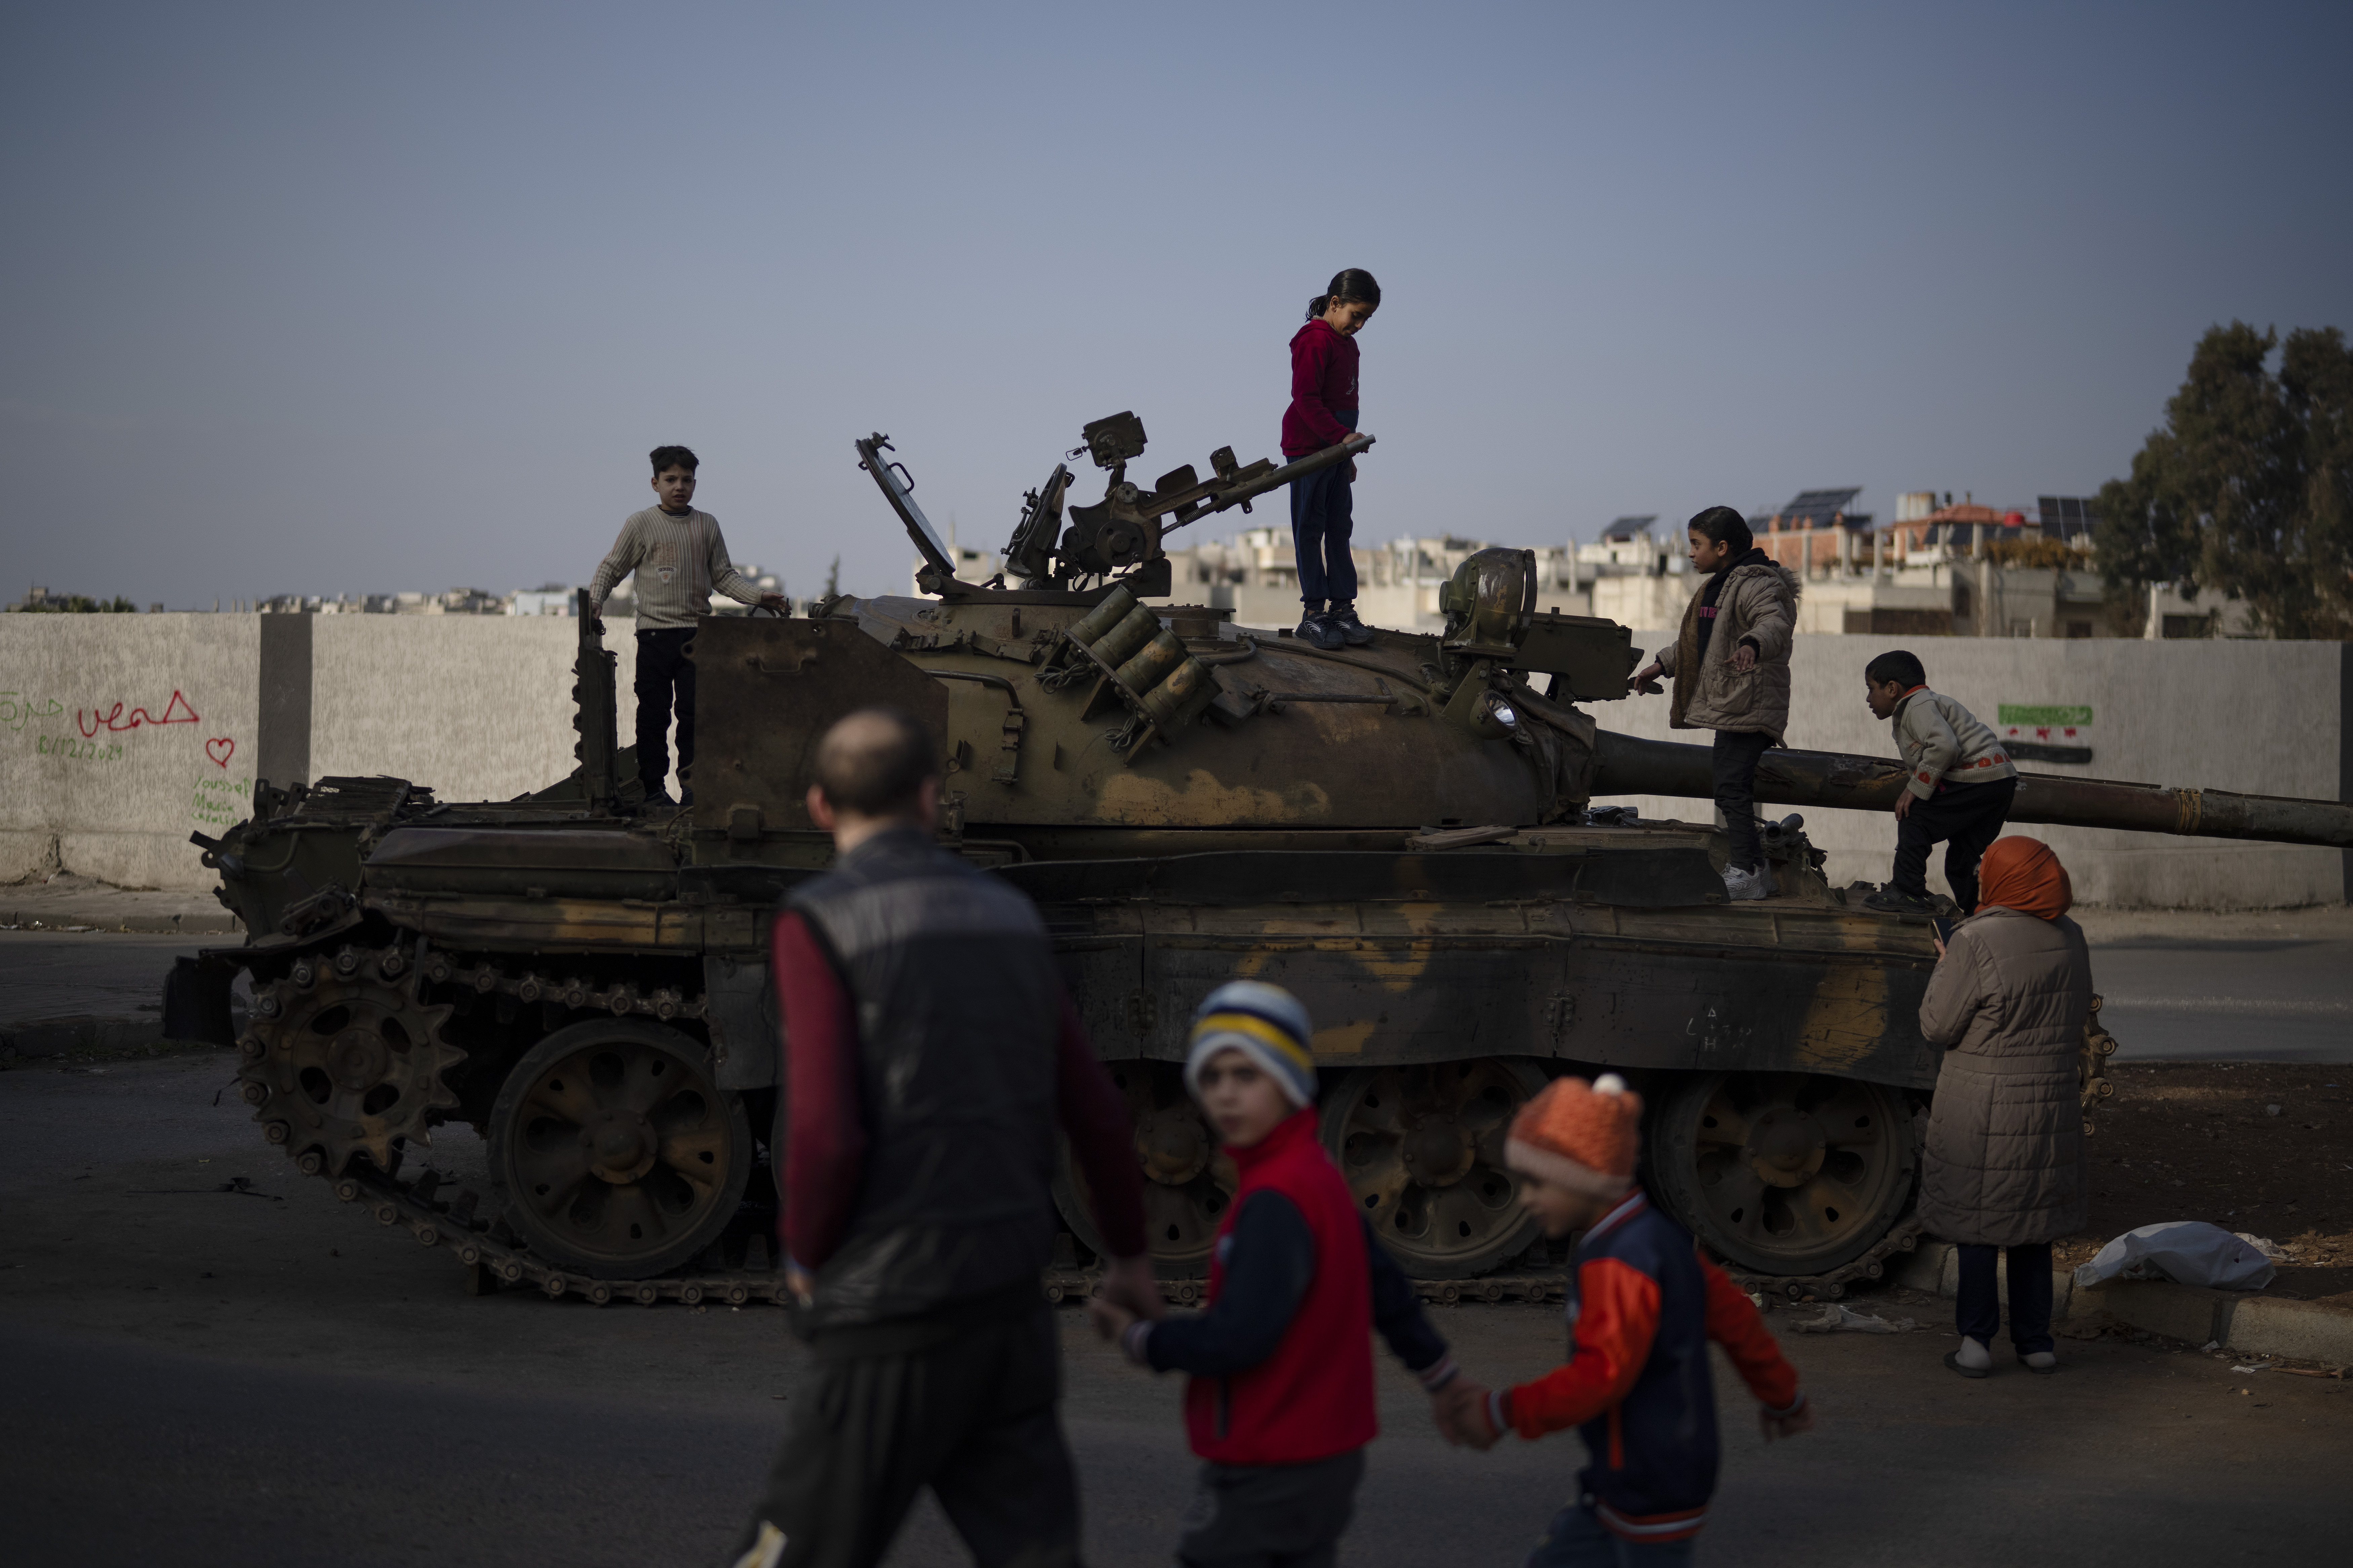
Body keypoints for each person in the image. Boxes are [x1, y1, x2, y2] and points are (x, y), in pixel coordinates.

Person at [725, 707, 1158, 1568]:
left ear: (817, 805)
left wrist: (804, 1255)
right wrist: (1131, 1256)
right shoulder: (1011, 914)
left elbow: (826, 1131)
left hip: (888, 1309)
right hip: (1006, 1303)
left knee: (790, 1555)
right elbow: (1098, 1111)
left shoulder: (816, 920)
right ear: (931, 798)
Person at [1086, 980, 1482, 1568]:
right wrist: (1440, 1376)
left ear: (1290, 1081)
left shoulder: (1275, 1199)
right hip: (1322, 1456)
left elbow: (1240, 1338)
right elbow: (1386, 1288)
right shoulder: (1315, 1174)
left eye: (1247, 1075)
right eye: (1212, 1077)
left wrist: (1139, 1338)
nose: (1225, 1094)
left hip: (1274, 1457)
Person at [1453, 1073, 1812, 1565]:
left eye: (1539, 1181)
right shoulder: (1658, 1238)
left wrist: (1503, 1411)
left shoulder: (1620, 1261)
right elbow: (1736, 1322)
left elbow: (1600, 1378)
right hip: (1632, 1479)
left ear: (1585, 1174)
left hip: (1649, 1485)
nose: (1526, 1198)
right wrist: (1783, 1397)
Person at [1916, 835, 2091, 1378]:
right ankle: (2037, 1343)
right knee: (2033, 1224)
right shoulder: (2071, 937)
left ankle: (1976, 1343)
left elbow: (1937, 1024)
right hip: (2049, 1108)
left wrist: (1948, 963)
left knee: (1978, 1225)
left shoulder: (1975, 941)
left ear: (2001, 879)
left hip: (1984, 1106)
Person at [588, 444, 786, 808]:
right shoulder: (641, 524)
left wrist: (759, 597)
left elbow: (724, 577)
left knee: (695, 717)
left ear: (695, 483)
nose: (679, 486)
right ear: (655, 483)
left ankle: (694, 789)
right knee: (653, 716)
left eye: (687, 480)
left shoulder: (706, 525)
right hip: (654, 637)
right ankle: (654, 790)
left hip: (697, 637)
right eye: (671, 480)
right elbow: (612, 566)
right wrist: (597, 598)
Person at [1628, 508, 1798, 901]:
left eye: (1696, 545)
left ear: (1722, 548)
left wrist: (1751, 644)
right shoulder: (1719, 586)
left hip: (1749, 703)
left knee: (1730, 787)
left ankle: (1749, 871)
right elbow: (1700, 642)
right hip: (1734, 703)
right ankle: (1752, 869)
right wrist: (1661, 665)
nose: (1690, 553)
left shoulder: (1757, 584)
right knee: (1728, 786)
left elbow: (1774, 623)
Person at [1859, 650, 2017, 915]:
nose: (1868, 698)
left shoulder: (1917, 706)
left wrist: (1915, 789)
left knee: (1914, 816)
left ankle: (1907, 892)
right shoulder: (1924, 704)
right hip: (2000, 782)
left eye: (1871, 689)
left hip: (1977, 777)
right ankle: (1979, 914)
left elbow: (1944, 747)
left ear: (1892, 689)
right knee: (1961, 857)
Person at [1283, 269, 1380, 652]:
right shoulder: (1313, 340)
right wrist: (1341, 439)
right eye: (1355, 315)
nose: (1358, 325)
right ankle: (1313, 615)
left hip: (1337, 450)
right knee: (1310, 528)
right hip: (1309, 450)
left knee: (1340, 528)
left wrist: (1347, 454)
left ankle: (1342, 608)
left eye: (1365, 319)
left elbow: (1344, 405)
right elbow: (1306, 399)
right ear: (1334, 304)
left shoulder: (1348, 345)